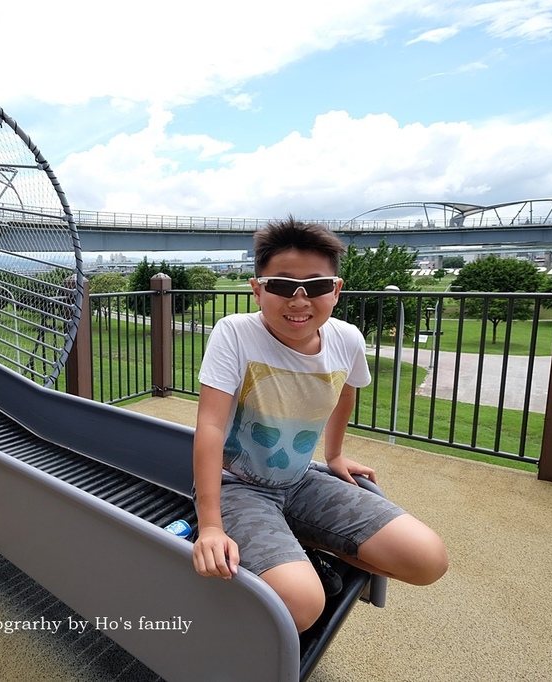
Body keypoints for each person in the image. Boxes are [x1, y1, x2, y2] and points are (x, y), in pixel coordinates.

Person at [191, 217, 447, 633]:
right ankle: (291, 558)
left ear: (336, 290)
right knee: (302, 606)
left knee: (427, 560)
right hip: (237, 486)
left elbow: (345, 390)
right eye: (280, 284)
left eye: (315, 285)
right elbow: (211, 427)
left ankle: (301, 544)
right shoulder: (235, 333)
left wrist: (335, 454)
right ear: (257, 290)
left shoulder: (346, 338)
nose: (298, 299)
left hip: (300, 479)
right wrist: (211, 526)